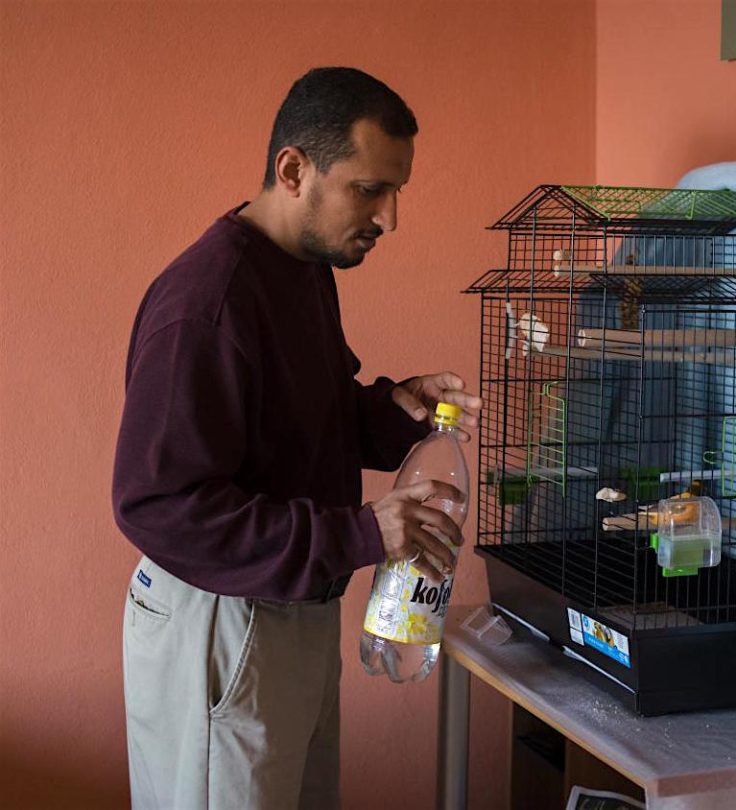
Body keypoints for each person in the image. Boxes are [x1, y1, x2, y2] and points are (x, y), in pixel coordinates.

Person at [112, 66, 481, 809]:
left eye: (396, 190)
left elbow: (299, 422)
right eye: (370, 189)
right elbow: (158, 504)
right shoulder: (207, 302)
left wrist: (390, 412)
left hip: (290, 608)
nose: (389, 218)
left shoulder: (302, 269)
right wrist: (361, 533)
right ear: (293, 171)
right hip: (223, 620)